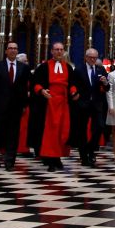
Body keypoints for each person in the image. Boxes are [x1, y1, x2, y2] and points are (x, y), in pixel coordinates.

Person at [29, 42, 79, 171]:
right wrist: (41, 91)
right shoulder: (44, 67)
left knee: (62, 131)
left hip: (63, 103)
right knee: (49, 132)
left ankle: (57, 157)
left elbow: (72, 83)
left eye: (61, 50)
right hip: (48, 104)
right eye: (56, 49)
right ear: (51, 51)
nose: (59, 52)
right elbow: (35, 83)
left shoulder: (68, 67)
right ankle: (50, 159)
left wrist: (73, 92)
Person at [0, 41, 31, 171]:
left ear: (17, 51)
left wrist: (24, 104)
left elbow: (24, 88)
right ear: (6, 51)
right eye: (10, 48)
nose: (12, 50)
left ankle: (10, 161)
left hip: (16, 106)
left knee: (13, 134)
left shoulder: (24, 67)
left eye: (15, 48)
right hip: (0, 106)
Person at [72, 48, 109, 167]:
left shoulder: (100, 69)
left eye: (95, 58)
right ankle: (84, 157)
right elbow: (73, 84)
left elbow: (107, 88)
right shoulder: (79, 69)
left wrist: (105, 83)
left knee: (99, 126)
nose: (93, 60)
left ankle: (91, 149)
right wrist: (75, 94)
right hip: (83, 104)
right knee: (82, 130)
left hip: (97, 104)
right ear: (86, 57)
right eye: (91, 57)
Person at [16, 53, 33, 156]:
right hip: (20, 102)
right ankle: (20, 148)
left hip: (27, 103)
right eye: (25, 61)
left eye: (27, 61)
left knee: (25, 128)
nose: (27, 63)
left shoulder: (27, 72)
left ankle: (23, 148)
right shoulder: (18, 71)